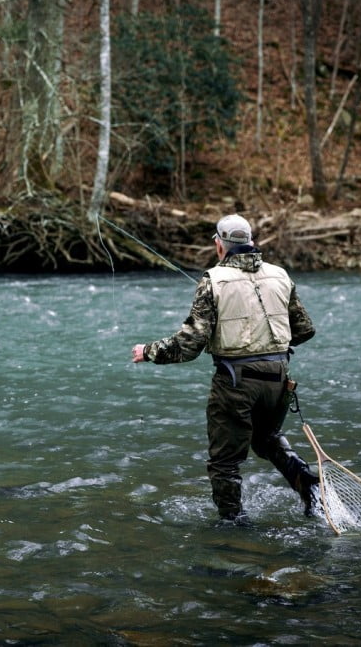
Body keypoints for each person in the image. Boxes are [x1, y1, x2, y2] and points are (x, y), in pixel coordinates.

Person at [131, 213, 319, 525]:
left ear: (220, 246)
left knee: (225, 462)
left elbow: (188, 345)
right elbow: (304, 329)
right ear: (252, 243)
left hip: (236, 382)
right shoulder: (281, 276)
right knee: (266, 439)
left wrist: (147, 351)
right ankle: (307, 483)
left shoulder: (212, 280)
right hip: (278, 378)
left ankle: (233, 525)